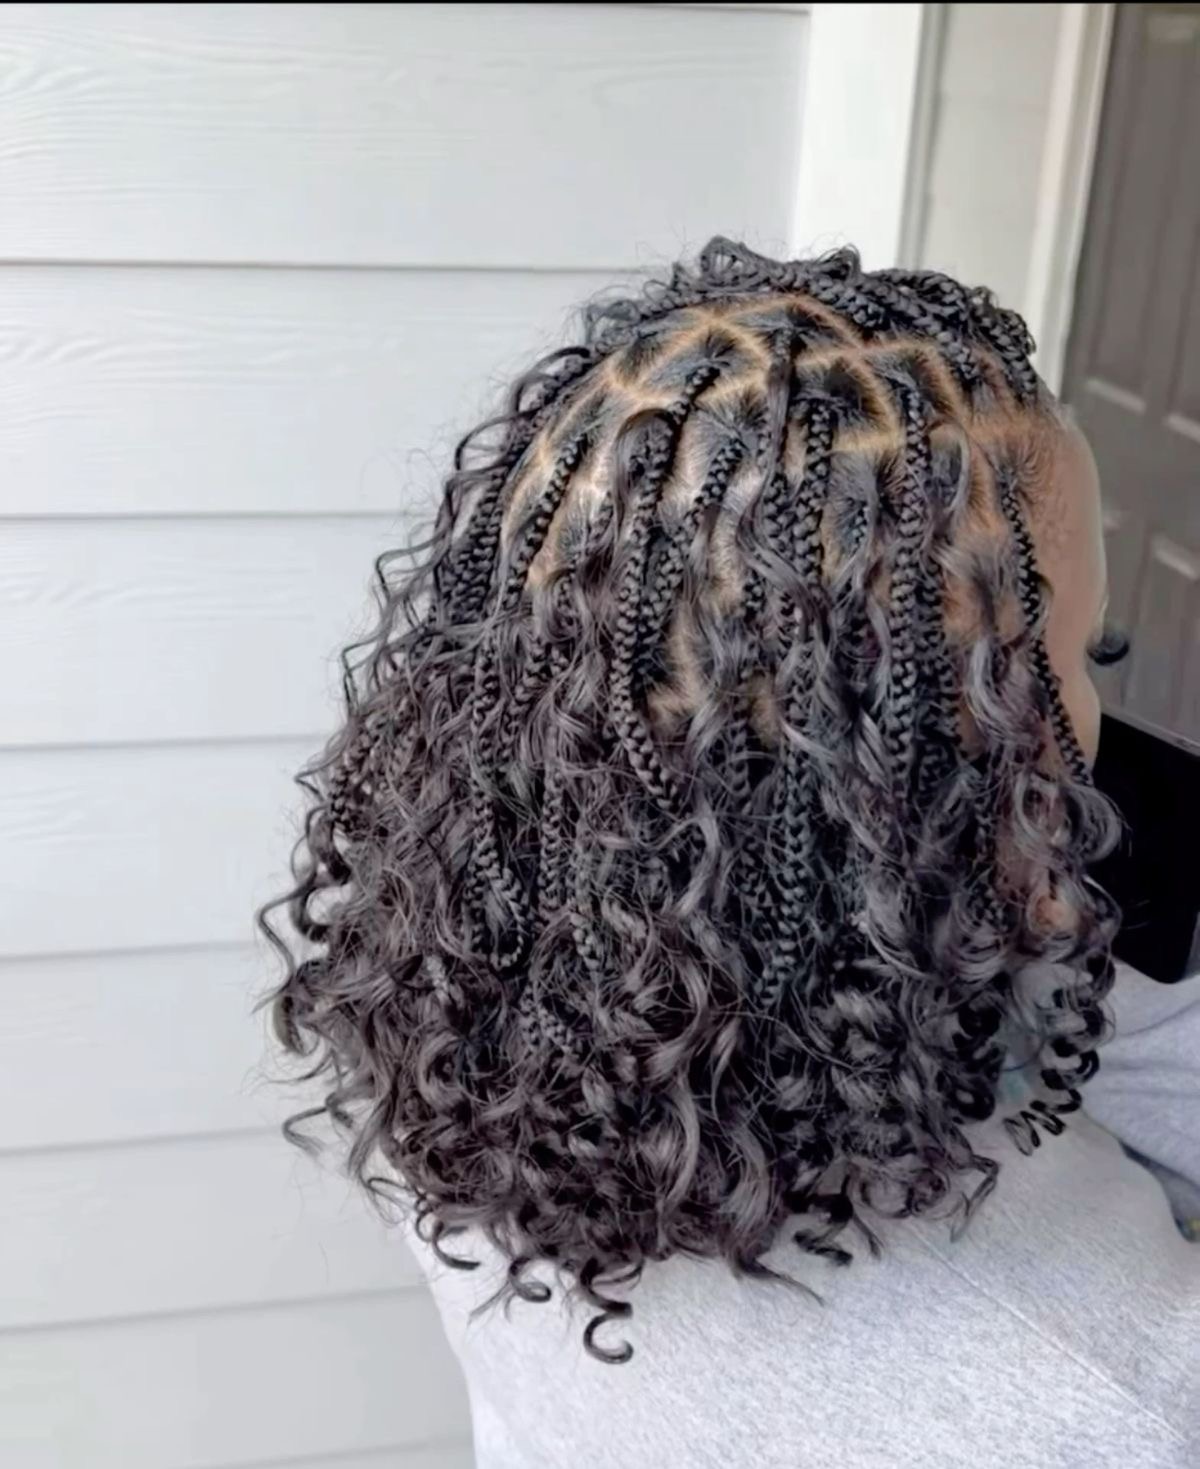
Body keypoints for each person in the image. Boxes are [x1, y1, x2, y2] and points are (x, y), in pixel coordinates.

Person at [265, 239, 1199, 1467]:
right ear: (902, 806)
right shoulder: (1127, 1389)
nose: (1098, 719)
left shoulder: (454, 1060)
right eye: (1084, 655)